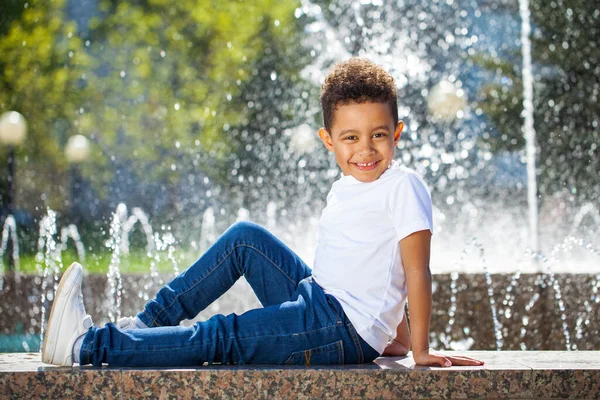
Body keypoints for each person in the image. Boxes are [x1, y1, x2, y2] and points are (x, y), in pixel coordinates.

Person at [42, 58, 483, 368]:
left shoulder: (403, 186)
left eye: (379, 135)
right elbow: (376, 271)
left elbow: (415, 271)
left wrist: (420, 348)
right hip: (323, 303)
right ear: (328, 140)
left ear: (398, 133)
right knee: (244, 238)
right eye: (350, 138)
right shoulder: (349, 186)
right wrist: (395, 337)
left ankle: (85, 346)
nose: (365, 149)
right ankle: (144, 325)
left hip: (335, 329)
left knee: (221, 336)